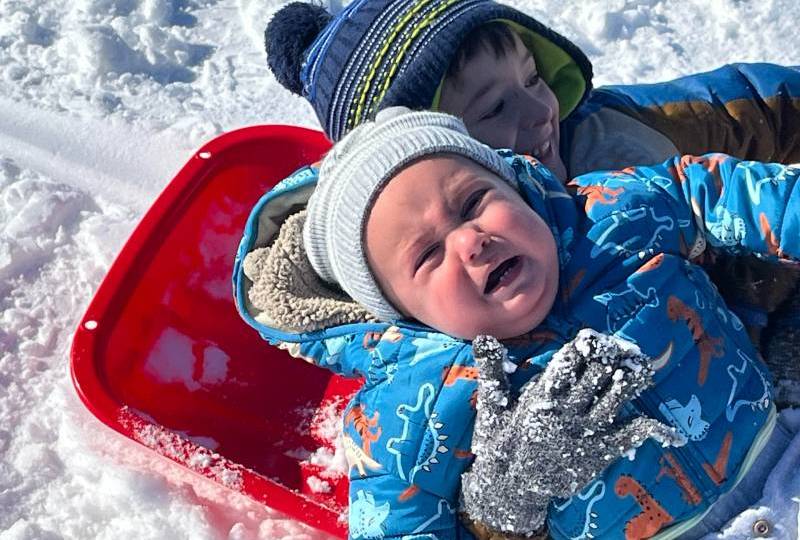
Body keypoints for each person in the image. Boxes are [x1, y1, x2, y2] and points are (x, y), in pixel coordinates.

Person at [235, 108, 800, 539]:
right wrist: (498, 506)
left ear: (520, 189)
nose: (470, 240)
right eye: (427, 254)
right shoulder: (403, 415)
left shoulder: (613, 220)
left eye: (474, 201)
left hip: (784, 457)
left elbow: (711, 190)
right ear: (405, 314)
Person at [264, 0, 800, 399]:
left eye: (533, 76)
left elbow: (749, 104)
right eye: (495, 108)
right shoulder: (452, 297)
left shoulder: (608, 130)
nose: (541, 111)